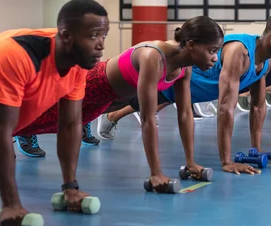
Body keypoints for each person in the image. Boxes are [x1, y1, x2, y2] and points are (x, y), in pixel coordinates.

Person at [14, 16, 224, 190]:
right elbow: (148, 119)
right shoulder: (154, 57)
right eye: (212, 51)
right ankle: (5, 131)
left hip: (107, 102)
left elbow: (185, 114)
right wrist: (156, 174)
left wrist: (191, 163)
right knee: (40, 117)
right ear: (191, 45)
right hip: (91, 85)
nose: (215, 59)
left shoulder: (184, 68)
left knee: (58, 125)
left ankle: (23, 129)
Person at [101, 11, 271, 175]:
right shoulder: (239, 51)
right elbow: (225, 108)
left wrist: (256, 150)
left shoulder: (264, 65)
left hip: (190, 91)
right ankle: (107, 115)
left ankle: (109, 116)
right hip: (174, 80)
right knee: (112, 99)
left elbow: (257, 107)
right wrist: (227, 161)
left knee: (142, 104)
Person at [0, 0, 109, 226]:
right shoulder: (16, 55)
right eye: (93, 36)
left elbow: (69, 124)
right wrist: (11, 205)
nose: (101, 45)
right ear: (66, 35)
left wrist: (70, 187)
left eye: (103, 36)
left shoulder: (78, 64)